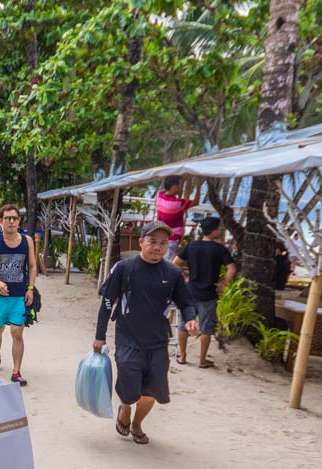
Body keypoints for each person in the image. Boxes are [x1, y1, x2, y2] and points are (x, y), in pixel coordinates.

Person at [94, 221, 198, 445]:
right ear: (141, 242)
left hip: (158, 342)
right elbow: (107, 302)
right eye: (152, 242)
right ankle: (126, 408)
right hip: (128, 339)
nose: (158, 247)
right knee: (130, 387)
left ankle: (137, 423)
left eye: (163, 243)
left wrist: (190, 319)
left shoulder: (172, 273)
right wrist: (99, 335)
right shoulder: (124, 268)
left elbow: (185, 302)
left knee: (152, 390)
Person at [0, 204, 36, 386]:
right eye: (7, 218)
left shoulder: (27, 241)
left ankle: (16, 371)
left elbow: (33, 266)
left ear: (19, 221)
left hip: (19, 295)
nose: (11, 221)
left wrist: (30, 288)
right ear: (0, 221)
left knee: (17, 332)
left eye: (14, 218)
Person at [174, 216, 236, 368]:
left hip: (190, 291)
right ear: (214, 231)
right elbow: (232, 268)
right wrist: (222, 284)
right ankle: (202, 360)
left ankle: (182, 356)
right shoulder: (220, 249)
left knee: (183, 325)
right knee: (206, 327)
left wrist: (185, 277)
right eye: (219, 229)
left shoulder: (191, 245)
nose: (219, 232)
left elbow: (175, 263)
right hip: (208, 294)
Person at [155, 176, 197, 260]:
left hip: (161, 234)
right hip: (172, 238)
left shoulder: (159, 196)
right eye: (181, 185)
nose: (181, 187)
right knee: (168, 263)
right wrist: (199, 187)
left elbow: (166, 188)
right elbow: (196, 202)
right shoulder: (177, 203)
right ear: (174, 186)